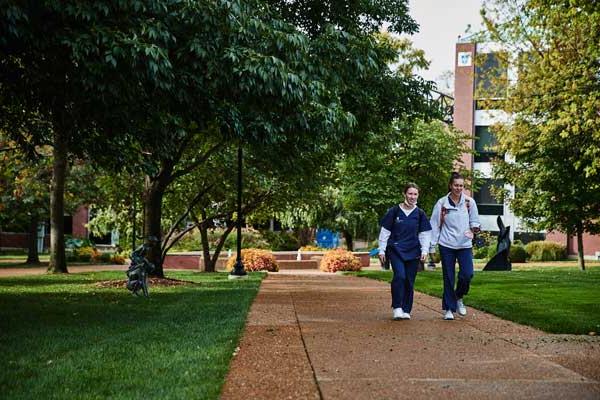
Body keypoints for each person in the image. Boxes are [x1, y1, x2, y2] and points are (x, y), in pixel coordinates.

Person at [429, 172, 481, 320]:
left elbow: (475, 221)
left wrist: (474, 229)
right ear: (450, 186)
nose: (459, 188)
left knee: (467, 274)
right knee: (449, 277)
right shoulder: (442, 203)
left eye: (461, 186)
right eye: (456, 185)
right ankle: (448, 309)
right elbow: (435, 225)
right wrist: (432, 246)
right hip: (447, 245)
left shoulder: (469, 202)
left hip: (464, 245)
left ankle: (458, 297)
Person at [378, 183, 432, 320]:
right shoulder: (394, 211)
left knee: (409, 280)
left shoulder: (420, 214)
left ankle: (406, 309)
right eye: (410, 194)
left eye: (415, 194)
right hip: (395, 250)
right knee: (400, 276)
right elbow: (385, 232)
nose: (412, 197)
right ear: (404, 194)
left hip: (413, 251)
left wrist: (425, 250)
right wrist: (382, 250)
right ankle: (397, 307)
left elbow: (425, 234)